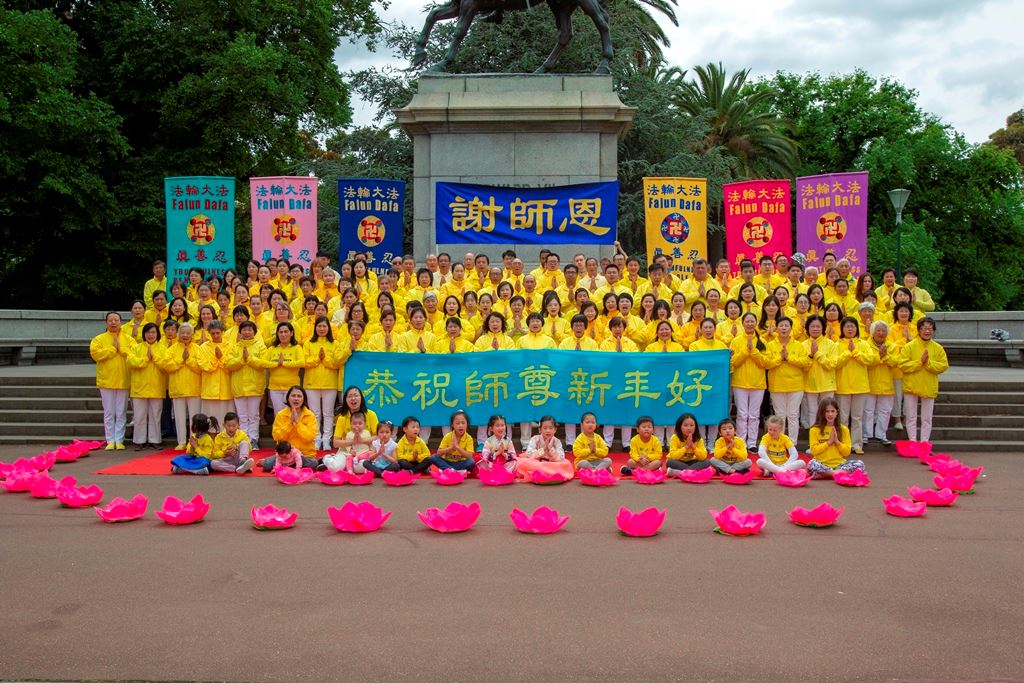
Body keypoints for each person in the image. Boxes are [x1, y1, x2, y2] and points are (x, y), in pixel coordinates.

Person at [899, 317, 949, 443]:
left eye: (930, 329)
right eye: (924, 328)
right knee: (911, 417)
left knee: (927, 418)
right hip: (912, 385)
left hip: (929, 385)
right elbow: (903, 365)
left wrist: (928, 363)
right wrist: (919, 362)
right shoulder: (909, 346)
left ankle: (924, 443)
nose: (927, 331)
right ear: (919, 330)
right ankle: (913, 442)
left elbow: (943, 365)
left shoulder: (938, 348)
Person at [90, 311, 134, 451]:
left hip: (123, 379)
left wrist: (121, 349)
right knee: (109, 412)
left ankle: (119, 439)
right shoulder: (98, 339)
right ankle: (110, 439)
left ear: (121, 322)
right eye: (111, 320)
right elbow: (96, 355)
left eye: (116, 320)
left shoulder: (129, 339)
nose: (113, 322)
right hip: (106, 380)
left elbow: (134, 354)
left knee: (121, 411)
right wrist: (112, 349)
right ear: (106, 322)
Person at [835, 317, 879, 455]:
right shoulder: (837, 345)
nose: (850, 329)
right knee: (842, 417)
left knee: (857, 417)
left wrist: (855, 352)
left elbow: (871, 359)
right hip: (842, 385)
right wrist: (848, 353)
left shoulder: (864, 344)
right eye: (847, 326)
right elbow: (836, 363)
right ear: (842, 329)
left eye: (852, 326)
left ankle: (856, 444)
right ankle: (843, 444)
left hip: (860, 385)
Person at [764, 317, 810, 444]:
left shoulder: (798, 345)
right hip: (777, 385)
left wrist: (789, 358)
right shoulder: (770, 345)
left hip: (796, 385)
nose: (784, 328)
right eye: (781, 325)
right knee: (780, 415)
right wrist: (780, 358)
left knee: (793, 415)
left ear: (791, 328)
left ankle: (792, 443)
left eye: (786, 325)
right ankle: (779, 442)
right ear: (776, 328)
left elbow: (806, 362)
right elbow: (767, 363)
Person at [158, 323, 202, 451]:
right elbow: (166, 366)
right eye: (182, 333)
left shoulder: (198, 349)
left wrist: (188, 361)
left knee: (195, 418)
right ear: (178, 334)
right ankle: (181, 441)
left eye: (188, 333)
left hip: (194, 388)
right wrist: (181, 361)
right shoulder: (171, 349)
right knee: (179, 417)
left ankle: (193, 441)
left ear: (192, 334)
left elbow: (201, 367)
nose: (185, 335)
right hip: (177, 388)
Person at [223, 321, 267, 444]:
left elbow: (263, 364)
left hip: (255, 385)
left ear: (254, 332)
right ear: (240, 332)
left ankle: (253, 439)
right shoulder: (235, 347)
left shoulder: (260, 346)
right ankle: (243, 440)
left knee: (253, 416)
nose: (247, 332)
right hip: (239, 386)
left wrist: (250, 359)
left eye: (250, 330)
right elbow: (228, 364)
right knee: (242, 416)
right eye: (244, 330)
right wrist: (242, 360)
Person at [729, 312, 767, 448]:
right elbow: (733, 362)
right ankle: (740, 442)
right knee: (742, 414)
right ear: (742, 323)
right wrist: (746, 351)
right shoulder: (736, 341)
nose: (750, 324)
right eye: (747, 321)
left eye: (752, 321)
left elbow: (765, 363)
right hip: (740, 382)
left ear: (756, 323)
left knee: (754, 415)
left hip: (758, 383)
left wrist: (754, 351)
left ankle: (752, 443)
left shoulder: (762, 340)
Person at [126, 322, 165, 450]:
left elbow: (166, 364)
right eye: (148, 332)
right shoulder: (136, 347)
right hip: (139, 387)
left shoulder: (162, 347)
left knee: (155, 415)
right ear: (144, 334)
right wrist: (145, 359)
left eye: (153, 332)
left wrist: (155, 358)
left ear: (157, 334)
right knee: (139, 416)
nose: (150, 335)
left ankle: (155, 440)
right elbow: (130, 361)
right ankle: (139, 440)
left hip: (156, 386)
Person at [303, 316, 340, 450]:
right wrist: (317, 359)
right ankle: (316, 439)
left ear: (328, 328)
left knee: (328, 413)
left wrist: (325, 360)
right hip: (311, 383)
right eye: (319, 326)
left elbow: (337, 363)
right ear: (315, 328)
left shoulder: (335, 343)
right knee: (314, 413)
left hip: (330, 383)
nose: (322, 329)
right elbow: (304, 362)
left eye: (324, 326)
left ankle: (326, 440)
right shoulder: (308, 343)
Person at [807, 397, 865, 478]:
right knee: (811, 464)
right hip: (822, 464)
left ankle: (829, 474)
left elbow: (847, 452)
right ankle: (838, 474)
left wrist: (837, 442)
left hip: (840, 465)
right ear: (822, 413)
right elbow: (814, 451)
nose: (830, 414)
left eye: (832, 411)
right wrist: (828, 442)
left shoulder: (844, 429)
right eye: (827, 411)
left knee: (860, 464)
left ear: (837, 412)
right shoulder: (814, 430)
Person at [801, 316, 838, 433]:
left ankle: (828, 436)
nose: (815, 329)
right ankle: (814, 439)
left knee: (829, 412)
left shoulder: (831, 344)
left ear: (823, 328)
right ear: (807, 328)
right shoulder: (803, 345)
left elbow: (831, 365)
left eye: (818, 326)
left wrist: (817, 354)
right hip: (810, 383)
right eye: (812, 326)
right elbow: (803, 366)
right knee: (812, 411)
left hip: (827, 383)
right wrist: (811, 356)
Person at [865, 320, 897, 446]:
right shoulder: (866, 345)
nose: (881, 333)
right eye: (878, 330)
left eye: (883, 331)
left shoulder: (892, 346)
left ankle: (881, 434)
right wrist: (879, 357)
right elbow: (866, 361)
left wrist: (885, 357)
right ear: (872, 332)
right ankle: (866, 434)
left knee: (885, 410)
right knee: (868, 410)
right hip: (869, 382)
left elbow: (895, 362)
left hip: (886, 383)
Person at [263, 322, 305, 414]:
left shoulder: (297, 348)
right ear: (277, 334)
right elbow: (263, 363)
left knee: (292, 413)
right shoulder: (272, 349)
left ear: (291, 333)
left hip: (292, 388)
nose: (283, 334)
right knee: (278, 414)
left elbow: (302, 363)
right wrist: (276, 364)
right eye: (280, 332)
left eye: (286, 332)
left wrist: (284, 363)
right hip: (275, 387)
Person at [196, 320, 233, 426]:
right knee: (209, 420)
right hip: (209, 389)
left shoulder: (230, 346)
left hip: (226, 389)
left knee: (225, 420)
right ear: (209, 333)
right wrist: (216, 360)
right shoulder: (203, 347)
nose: (215, 335)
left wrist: (221, 357)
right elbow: (202, 365)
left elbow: (231, 365)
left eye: (218, 333)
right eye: (213, 333)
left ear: (222, 332)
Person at [517, 415, 574, 482]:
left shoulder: (557, 441)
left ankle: (544, 472)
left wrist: (551, 450)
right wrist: (542, 450)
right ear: (540, 429)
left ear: (555, 430)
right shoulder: (535, 439)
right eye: (545, 428)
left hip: (552, 464)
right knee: (521, 462)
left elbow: (561, 456)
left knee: (567, 464)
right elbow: (529, 453)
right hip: (537, 463)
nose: (548, 431)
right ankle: (548, 473)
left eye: (550, 428)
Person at [271, 385, 318, 459]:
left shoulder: (310, 415)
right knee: (267, 464)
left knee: (312, 463)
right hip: (285, 454)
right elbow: (277, 437)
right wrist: (289, 423)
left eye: (299, 396)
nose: (296, 399)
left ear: (303, 399)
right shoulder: (281, 414)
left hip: (305, 455)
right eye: (293, 396)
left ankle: (288, 465)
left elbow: (310, 437)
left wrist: (298, 423)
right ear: (288, 398)